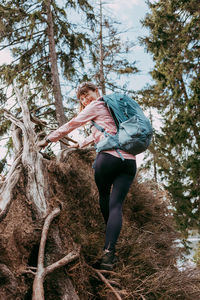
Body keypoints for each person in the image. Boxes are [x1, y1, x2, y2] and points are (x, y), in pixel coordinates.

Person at [37, 82, 137, 270]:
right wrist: (80, 144)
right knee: (116, 206)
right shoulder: (114, 109)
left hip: (107, 159)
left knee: (105, 198)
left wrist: (49, 139)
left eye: (87, 94)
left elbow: (72, 124)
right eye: (81, 98)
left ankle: (109, 237)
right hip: (129, 161)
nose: (85, 100)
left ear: (96, 91)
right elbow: (106, 132)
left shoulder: (96, 105)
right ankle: (109, 253)